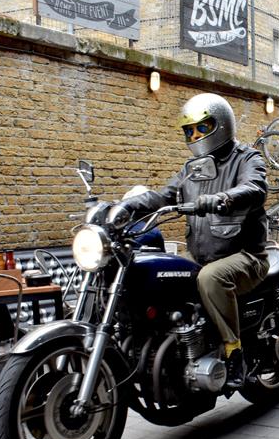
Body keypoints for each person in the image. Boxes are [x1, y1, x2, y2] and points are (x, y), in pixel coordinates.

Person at [109, 93, 268, 387]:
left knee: (209, 279)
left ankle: (234, 354)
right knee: (166, 276)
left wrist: (222, 199)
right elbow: (163, 196)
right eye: (189, 130)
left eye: (202, 128)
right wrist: (124, 206)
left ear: (220, 124)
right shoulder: (191, 169)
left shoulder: (247, 158)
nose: (194, 135)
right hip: (203, 256)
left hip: (247, 256)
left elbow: (255, 187)